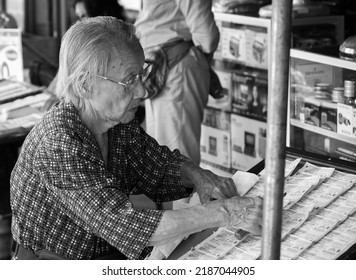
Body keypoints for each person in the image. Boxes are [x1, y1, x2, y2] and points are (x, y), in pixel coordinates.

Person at [10, 17, 263, 260]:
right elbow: (124, 222)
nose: (142, 90)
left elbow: (158, 164)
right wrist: (227, 212)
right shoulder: (59, 143)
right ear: (85, 85)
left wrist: (200, 176)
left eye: (141, 75)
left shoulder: (116, 122)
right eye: (129, 80)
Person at [135, 0, 220, 165]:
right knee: (166, 153)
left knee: (176, 154)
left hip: (173, 66)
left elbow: (206, 37)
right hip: (165, 68)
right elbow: (207, 38)